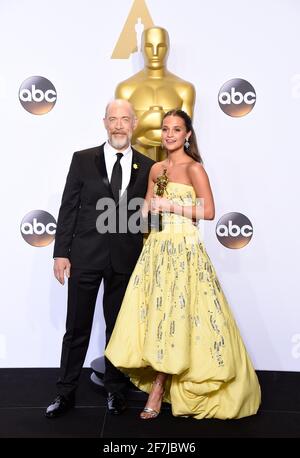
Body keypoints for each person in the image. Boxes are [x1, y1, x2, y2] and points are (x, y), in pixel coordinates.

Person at [105, 109, 261, 420]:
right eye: (165, 129)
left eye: (177, 129)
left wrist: (170, 205)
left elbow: (209, 211)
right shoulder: (156, 168)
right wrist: (138, 212)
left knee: (180, 315)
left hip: (185, 250)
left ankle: (159, 388)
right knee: (159, 317)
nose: (170, 134)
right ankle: (161, 379)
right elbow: (149, 208)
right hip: (158, 250)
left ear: (187, 134)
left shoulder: (194, 169)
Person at [45, 99, 155, 418]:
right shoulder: (82, 160)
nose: (119, 125)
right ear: (104, 122)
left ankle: (116, 391)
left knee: (118, 330)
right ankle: (65, 393)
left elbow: (146, 216)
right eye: (113, 119)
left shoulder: (147, 166)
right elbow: (68, 209)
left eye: (125, 119)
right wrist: (61, 253)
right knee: (76, 327)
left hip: (126, 258)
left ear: (134, 123)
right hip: (85, 257)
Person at [115, 26, 195, 161]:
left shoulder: (184, 89)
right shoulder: (125, 89)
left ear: (168, 48)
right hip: (136, 166)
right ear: (142, 49)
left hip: (173, 167)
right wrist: (145, 123)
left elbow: (186, 136)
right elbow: (120, 138)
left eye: (161, 46)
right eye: (148, 46)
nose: (155, 53)